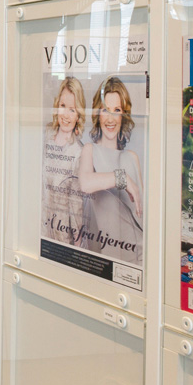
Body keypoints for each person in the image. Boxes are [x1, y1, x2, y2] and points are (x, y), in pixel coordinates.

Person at [78, 77, 143, 257]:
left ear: (123, 115)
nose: (111, 118)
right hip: (106, 257)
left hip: (137, 257)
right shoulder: (89, 150)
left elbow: (142, 214)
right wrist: (122, 178)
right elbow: (85, 183)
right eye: (105, 110)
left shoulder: (132, 158)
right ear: (98, 114)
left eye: (117, 110)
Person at [43, 76, 86, 246]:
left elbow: (76, 207)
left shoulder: (78, 152)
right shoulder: (46, 137)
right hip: (38, 229)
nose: (66, 115)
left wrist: (77, 248)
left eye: (72, 109)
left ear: (78, 115)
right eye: (63, 106)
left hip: (61, 238)